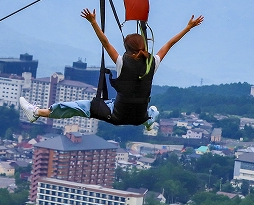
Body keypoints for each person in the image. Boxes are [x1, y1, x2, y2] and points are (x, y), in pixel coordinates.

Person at [20, 9, 204, 131]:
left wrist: (93, 22)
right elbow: (169, 44)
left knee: (80, 106)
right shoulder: (152, 63)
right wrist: (188, 27)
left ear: (127, 49)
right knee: (152, 110)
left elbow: (105, 42)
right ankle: (149, 123)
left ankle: (37, 113)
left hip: (116, 114)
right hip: (139, 116)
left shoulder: (122, 63)